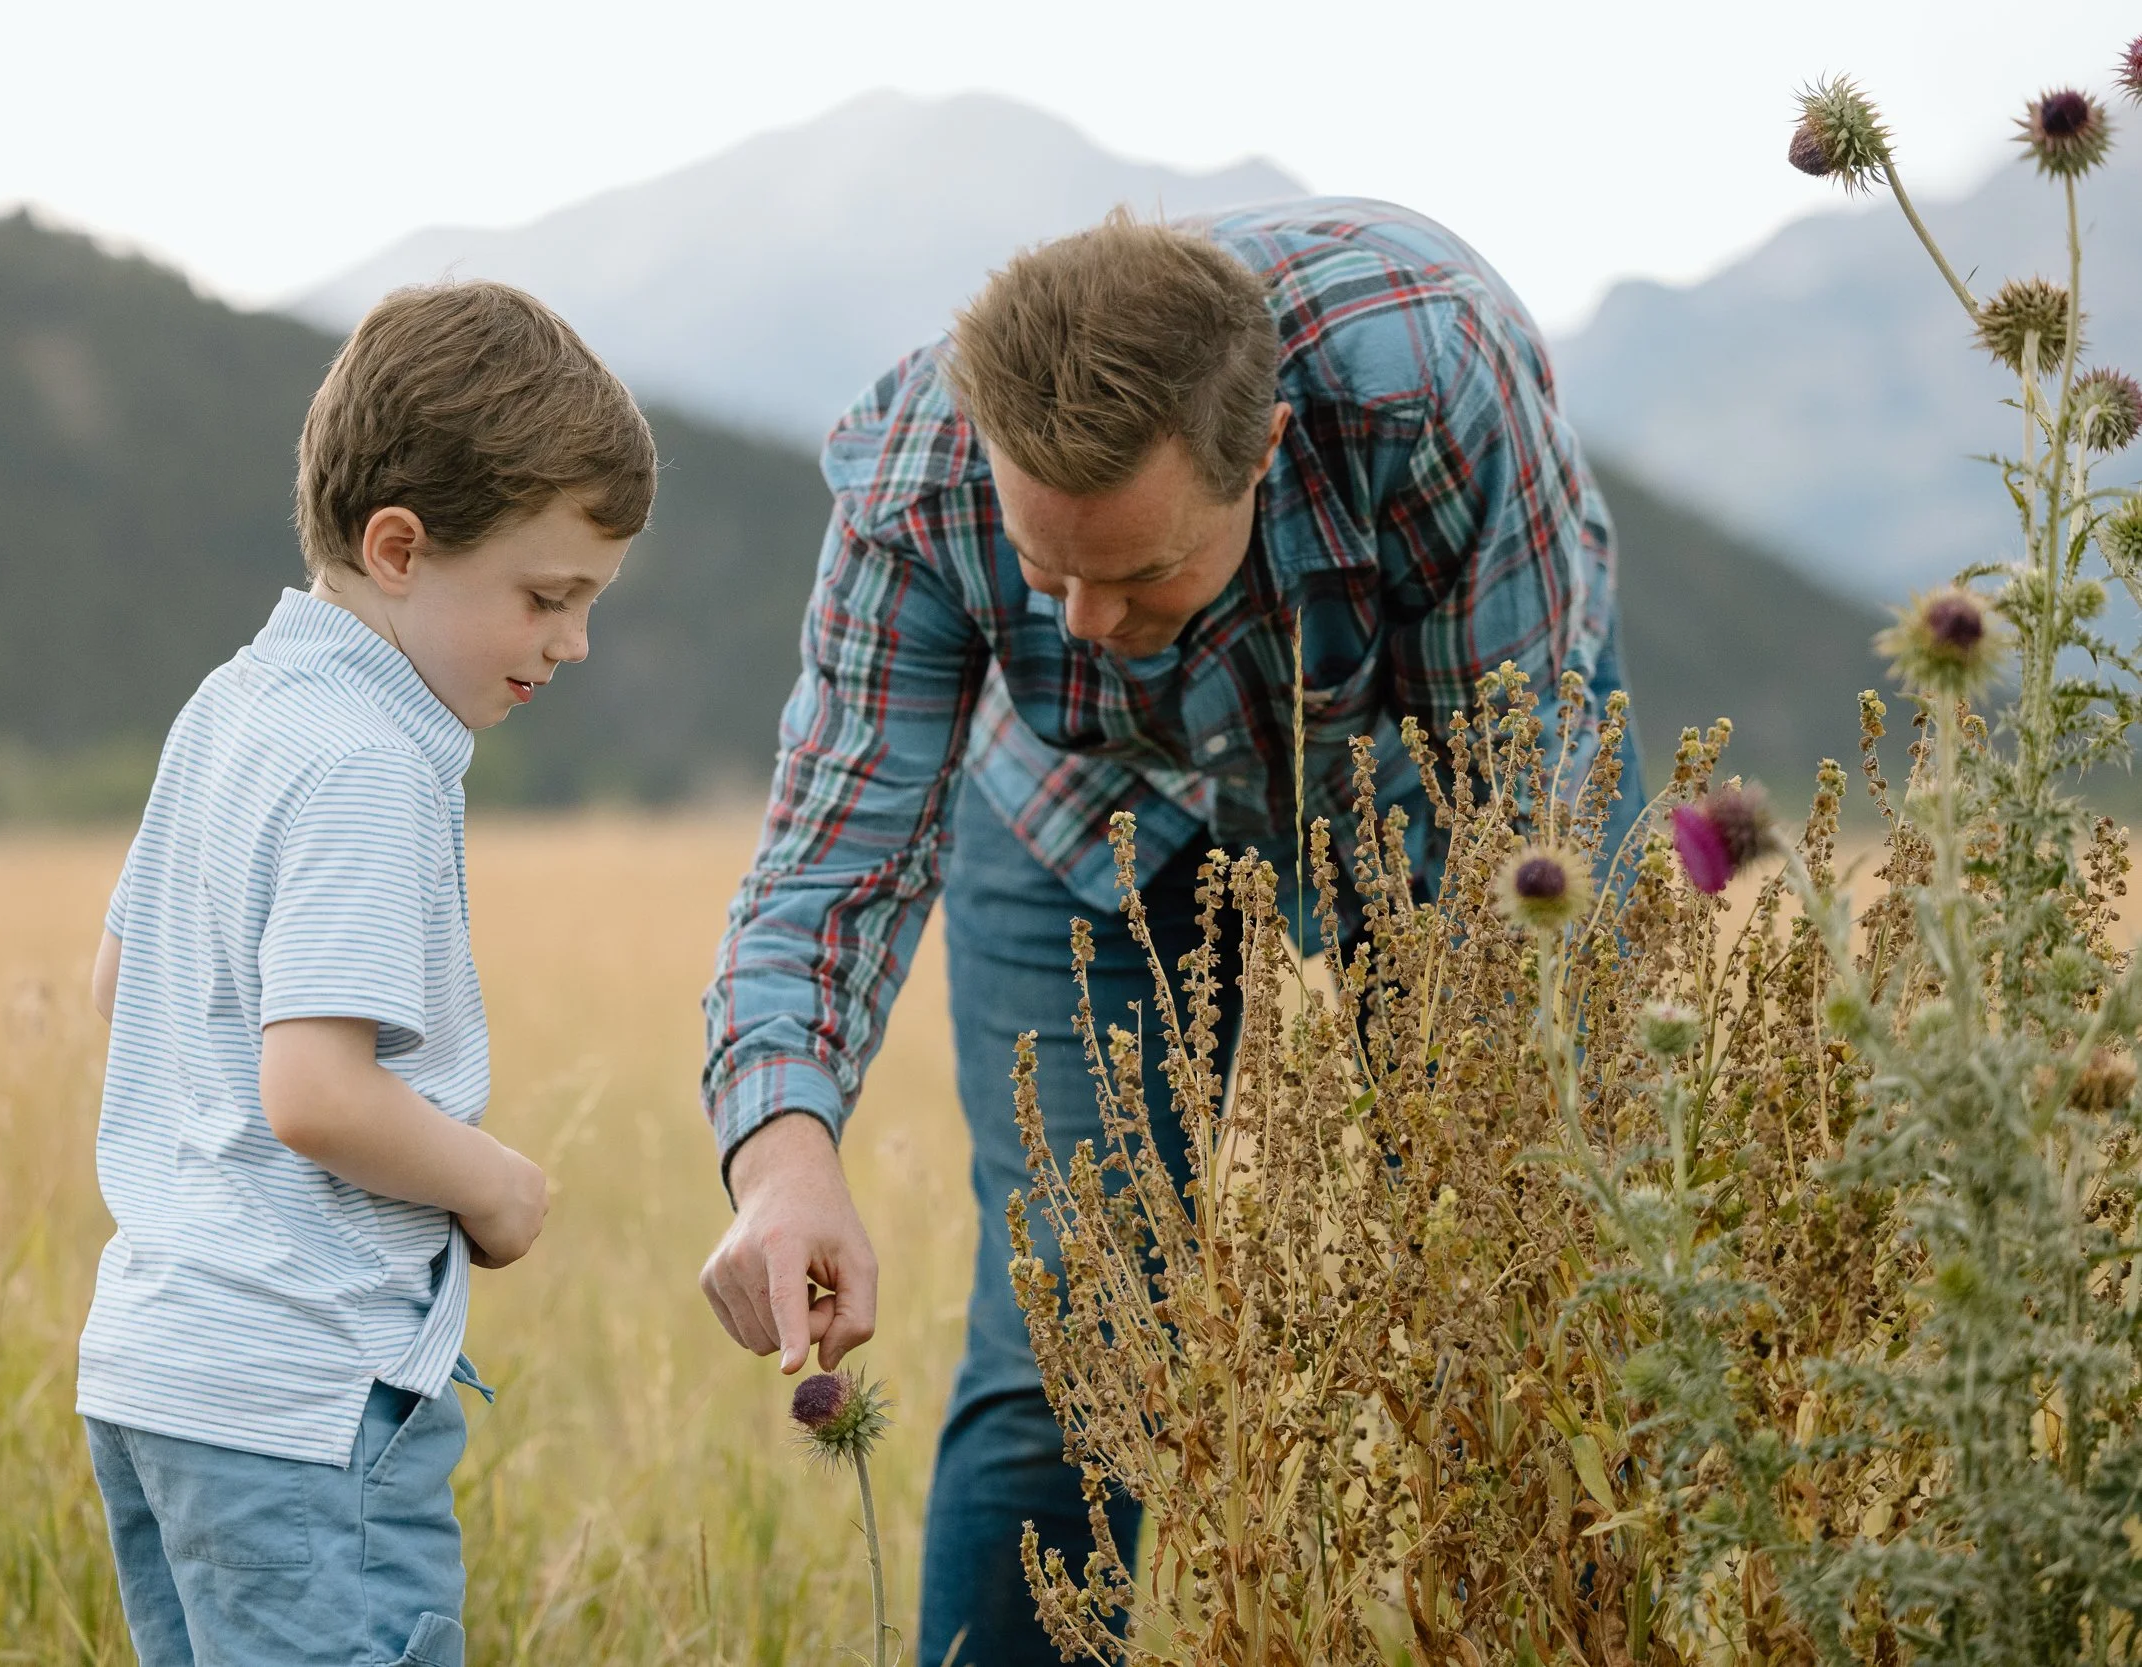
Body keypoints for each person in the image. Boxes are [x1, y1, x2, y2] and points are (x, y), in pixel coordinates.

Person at [697, 202, 1645, 1665]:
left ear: (1261, 452)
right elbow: (833, 859)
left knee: (1530, 1282)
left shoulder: (1434, 382)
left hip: (1414, 784)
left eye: (1140, 574)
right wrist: (782, 1157)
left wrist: (1481, 1132)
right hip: (1076, 823)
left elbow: (1525, 819)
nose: (1079, 620)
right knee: (1070, 1349)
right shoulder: (921, 470)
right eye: (1045, 566)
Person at [77, 282, 653, 1667]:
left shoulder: (235, 704)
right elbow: (318, 1095)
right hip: (307, 1395)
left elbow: (119, 982)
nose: (570, 642)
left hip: (161, 1369)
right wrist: (494, 1184)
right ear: (399, 547)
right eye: (545, 596)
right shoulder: (367, 759)